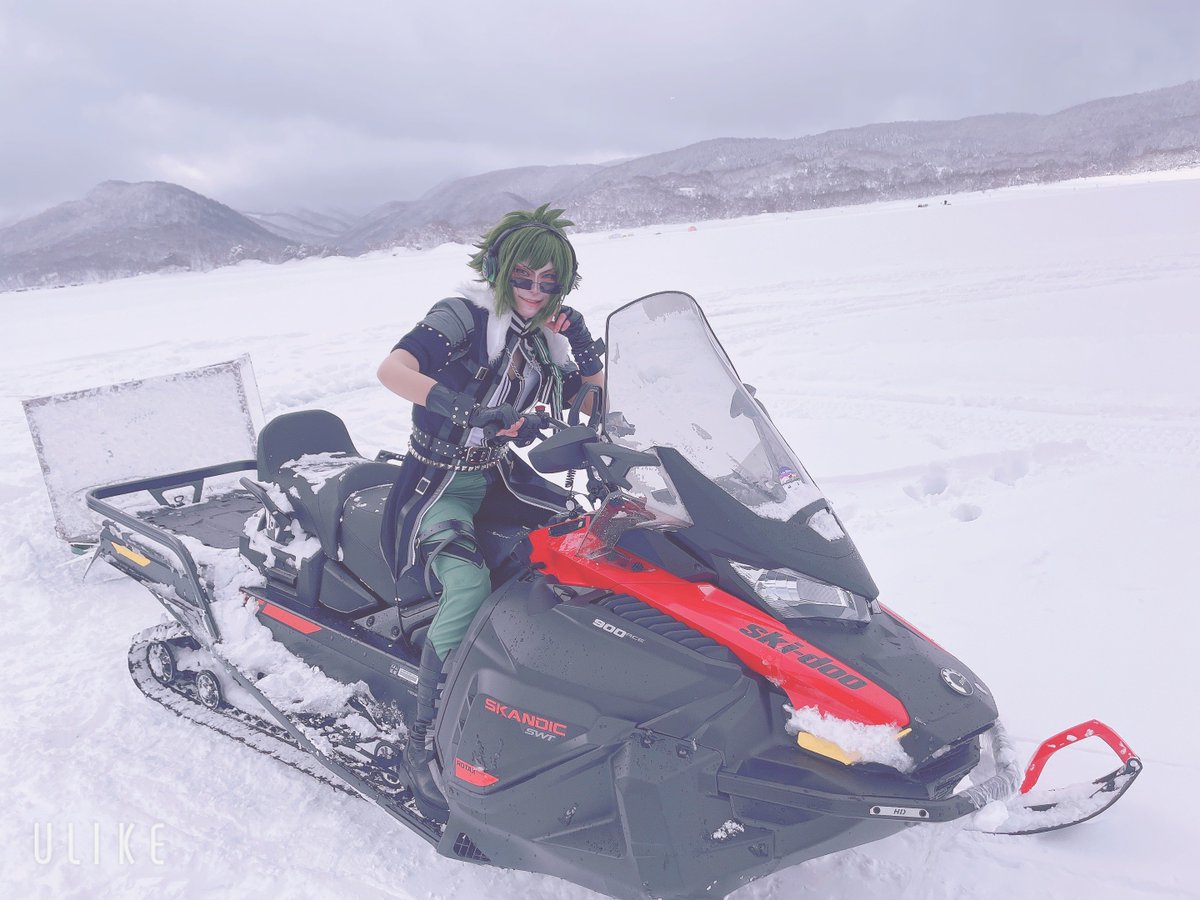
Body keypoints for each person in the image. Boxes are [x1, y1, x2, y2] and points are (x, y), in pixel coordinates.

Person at [376, 204, 604, 817]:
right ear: (500, 271)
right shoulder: (463, 315)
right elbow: (392, 369)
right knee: (468, 583)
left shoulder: (545, 338)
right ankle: (423, 734)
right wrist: (462, 409)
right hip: (437, 484)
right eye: (523, 276)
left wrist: (585, 352)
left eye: (548, 281)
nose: (534, 290)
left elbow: (592, 399)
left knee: (578, 536)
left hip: (499, 478)